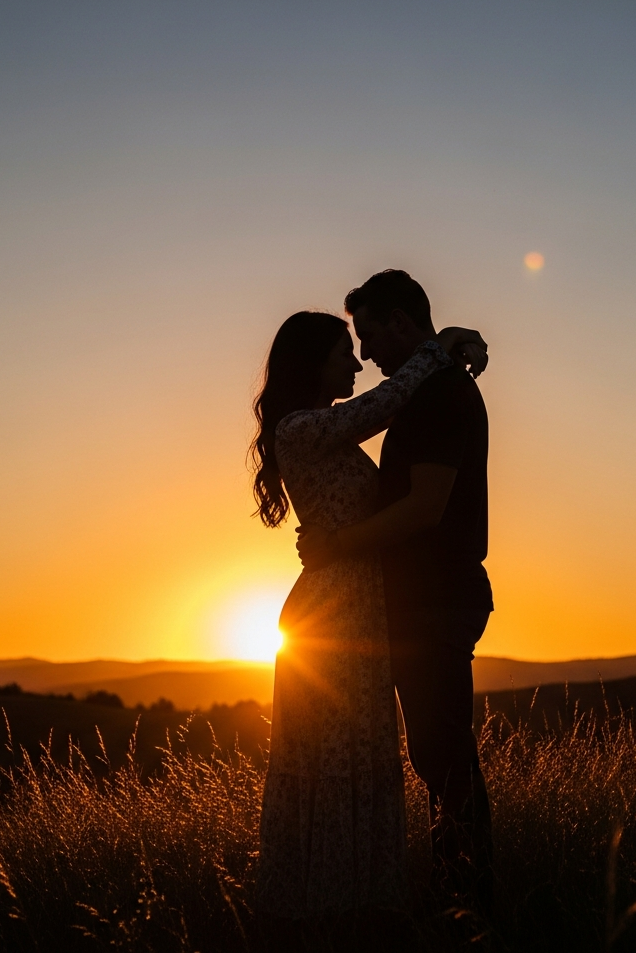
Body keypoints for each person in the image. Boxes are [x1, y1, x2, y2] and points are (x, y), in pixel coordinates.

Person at [251, 308, 486, 923]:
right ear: (312, 364)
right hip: (334, 610)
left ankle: (355, 909)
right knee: (334, 762)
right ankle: (329, 912)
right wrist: (441, 349)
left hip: (357, 603)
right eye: (342, 354)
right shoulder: (302, 430)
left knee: (360, 754)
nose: (356, 363)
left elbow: (388, 406)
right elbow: (388, 402)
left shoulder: (319, 427)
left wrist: (453, 342)